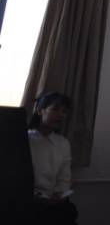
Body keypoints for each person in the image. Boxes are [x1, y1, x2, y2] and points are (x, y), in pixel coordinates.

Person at [27, 92, 77, 225]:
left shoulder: (63, 143)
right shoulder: (25, 139)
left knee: (69, 212)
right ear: (40, 111)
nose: (61, 115)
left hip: (52, 200)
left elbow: (64, 177)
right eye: (55, 109)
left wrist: (59, 194)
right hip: (27, 201)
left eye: (64, 112)